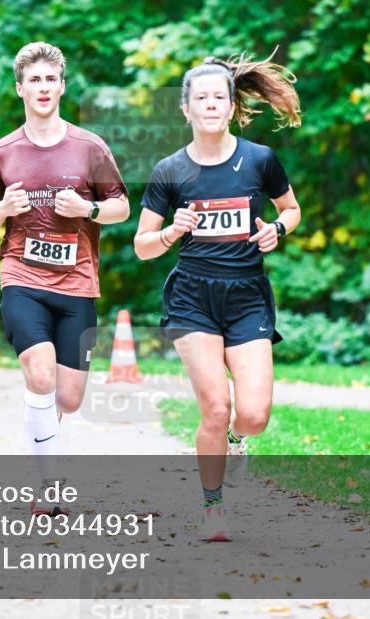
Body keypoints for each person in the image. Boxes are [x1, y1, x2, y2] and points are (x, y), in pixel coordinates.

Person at [133, 52, 302, 541]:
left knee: (253, 415)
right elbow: (142, 246)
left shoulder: (259, 160)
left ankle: (235, 442)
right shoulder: (170, 171)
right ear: (185, 109)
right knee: (215, 406)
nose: (210, 105)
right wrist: (170, 232)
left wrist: (275, 229)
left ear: (231, 107)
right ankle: (213, 508)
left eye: (218, 97)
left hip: (248, 296)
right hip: (192, 299)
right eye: (200, 98)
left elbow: (291, 210)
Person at [0, 42, 129, 514]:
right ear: (19, 88)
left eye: (50, 79)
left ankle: (42, 436)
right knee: (39, 375)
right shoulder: (0, 154)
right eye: (33, 80)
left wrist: (89, 209)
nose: (43, 88)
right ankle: (49, 488)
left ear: (62, 86)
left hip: (78, 283)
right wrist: (3, 209)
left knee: (70, 398)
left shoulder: (89, 147)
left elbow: (122, 207)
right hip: (22, 276)